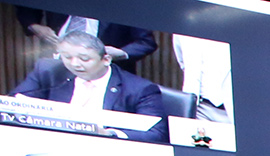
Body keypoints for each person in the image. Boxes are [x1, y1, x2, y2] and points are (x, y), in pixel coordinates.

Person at [12, 30, 166, 142]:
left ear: (106, 60)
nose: (74, 64)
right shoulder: (47, 71)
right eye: (67, 57)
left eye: (84, 59)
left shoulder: (140, 89)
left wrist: (110, 134)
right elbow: (13, 106)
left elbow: (156, 133)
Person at [14, 8, 154, 66]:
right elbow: (26, 8)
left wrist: (122, 53)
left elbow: (146, 42)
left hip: (106, 69)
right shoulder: (44, 72)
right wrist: (33, 25)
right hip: (57, 62)